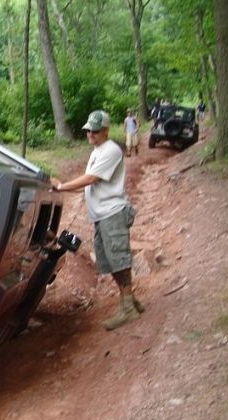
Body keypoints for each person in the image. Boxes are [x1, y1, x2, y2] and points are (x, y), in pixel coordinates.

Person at [50, 110, 144, 330]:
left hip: (112, 213)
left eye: (95, 130)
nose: (90, 133)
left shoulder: (110, 150)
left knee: (119, 259)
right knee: (111, 262)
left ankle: (128, 308)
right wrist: (63, 188)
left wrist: (62, 186)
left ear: (106, 130)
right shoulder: (97, 151)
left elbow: (91, 178)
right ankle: (129, 300)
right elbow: (91, 185)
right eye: (88, 130)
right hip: (102, 216)